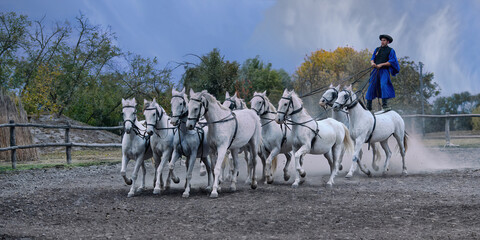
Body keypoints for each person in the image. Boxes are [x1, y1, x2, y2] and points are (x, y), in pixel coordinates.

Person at [365, 34, 400, 111]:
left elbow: (392, 61)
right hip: (375, 71)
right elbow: (372, 58)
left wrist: (381, 65)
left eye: (384, 40)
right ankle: (368, 106)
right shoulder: (377, 49)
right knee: (371, 85)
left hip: (384, 71)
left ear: (387, 42)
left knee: (384, 85)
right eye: (381, 40)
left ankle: (385, 105)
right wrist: (372, 63)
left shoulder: (391, 50)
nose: (382, 42)